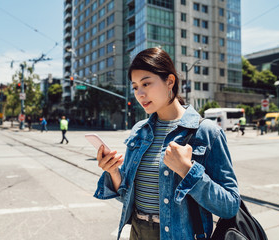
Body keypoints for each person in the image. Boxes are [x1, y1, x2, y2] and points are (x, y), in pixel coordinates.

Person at [94, 48, 240, 240]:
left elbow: (229, 205)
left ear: (170, 81)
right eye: (135, 86)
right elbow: (126, 197)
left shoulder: (206, 132)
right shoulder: (139, 131)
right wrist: (113, 172)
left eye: (146, 83)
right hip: (137, 233)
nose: (140, 93)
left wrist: (188, 171)